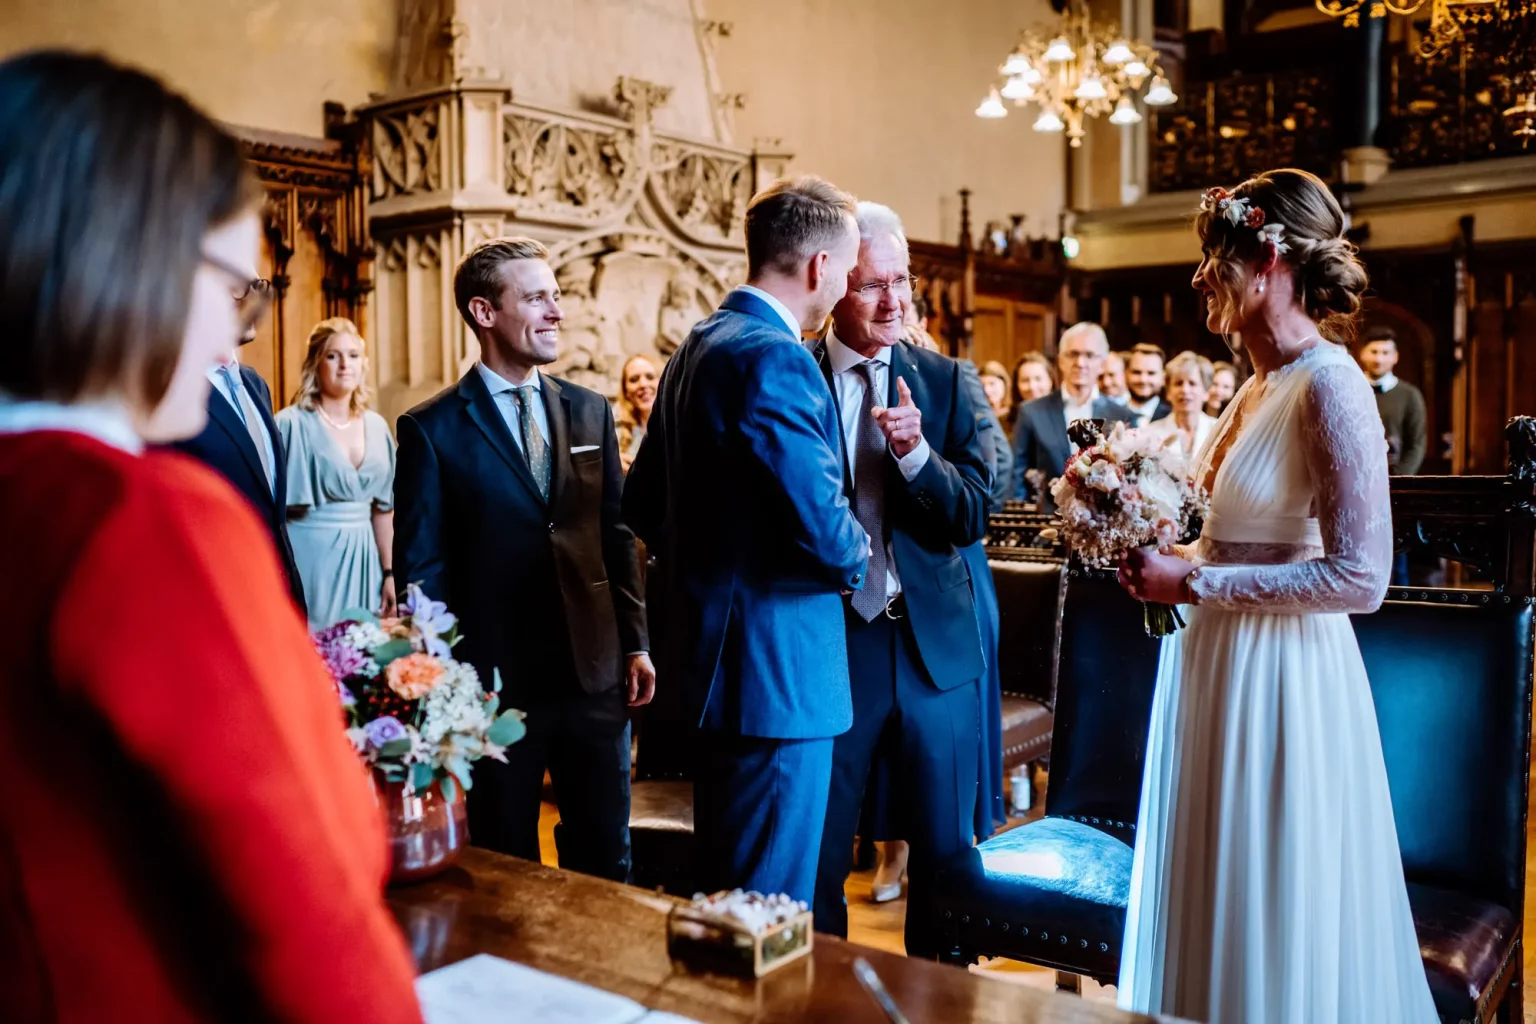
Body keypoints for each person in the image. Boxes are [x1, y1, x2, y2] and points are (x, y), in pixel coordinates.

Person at [0, 50, 420, 1022]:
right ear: (134, 264)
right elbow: (309, 884)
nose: (237, 334)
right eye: (233, 287)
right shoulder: (136, 519)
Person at [1115, 169, 1437, 1023]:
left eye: (1210, 257)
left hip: (1284, 680)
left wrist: (1194, 578)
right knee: (1211, 885)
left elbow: (1362, 578)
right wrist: (1154, 544)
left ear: (1267, 258)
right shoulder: (1251, 389)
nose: (1196, 280)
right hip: (1211, 668)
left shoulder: (1331, 385)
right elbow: (1225, 533)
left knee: (1269, 896)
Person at [624, 176, 868, 907]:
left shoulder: (698, 344)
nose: (848, 283)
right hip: (780, 671)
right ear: (819, 267)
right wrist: (861, 556)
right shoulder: (777, 357)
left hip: (716, 664)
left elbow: (644, 503)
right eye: (850, 268)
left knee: (727, 892)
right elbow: (826, 531)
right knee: (768, 904)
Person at [394, 236, 653, 882]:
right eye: (536, 298)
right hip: (492, 688)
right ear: (485, 313)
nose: (556, 312)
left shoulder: (589, 410)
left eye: (555, 297)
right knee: (505, 862)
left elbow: (617, 534)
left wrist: (636, 643)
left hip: (594, 676)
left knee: (605, 857)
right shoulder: (432, 429)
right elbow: (422, 567)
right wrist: (442, 683)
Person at [806, 202, 988, 957]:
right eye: (873, 284)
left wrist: (917, 458)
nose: (896, 302)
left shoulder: (946, 383)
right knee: (818, 852)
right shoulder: (793, 377)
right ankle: (816, 1003)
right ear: (831, 289)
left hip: (930, 649)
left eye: (903, 280)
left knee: (945, 855)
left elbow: (975, 511)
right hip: (829, 641)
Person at [169, 264, 305, 618]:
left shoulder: (255, 385)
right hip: (216, 598)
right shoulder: (174, 394)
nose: (254, 298)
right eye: (241, 286)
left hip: (278, 592)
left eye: (259, 285)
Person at [277, 318, 397, 629]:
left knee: (363, 654)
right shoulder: (290, 425)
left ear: (363, 364)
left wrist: (389, 572)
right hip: (310, 560)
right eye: (333, 356)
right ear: (316, 364)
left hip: (365, 560)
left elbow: (383, 511)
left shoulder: (377, 425)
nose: (345, 364)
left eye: (353, 355)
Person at [1010, 323, 1135, 506]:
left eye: (1089, 355)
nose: (1080, 363)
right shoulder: (1031, 412)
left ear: (1102, 363)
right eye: (1073, 354)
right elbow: (1016, 474)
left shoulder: (1123, 416)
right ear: (1061, 360)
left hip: (1105, 524)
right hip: (1047, 525)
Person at [1359, 326, 1427, 475]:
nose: (1379, 359)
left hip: (1394, 478)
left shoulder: (1409, 395)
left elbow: (1416, 444)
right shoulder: (1351, 390)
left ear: (1395, 357)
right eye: (1374, 352)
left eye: (1385, 353)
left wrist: (1401, 479)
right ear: (1362, 354)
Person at [1149, 350, 1220, 458]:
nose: (1185, 390)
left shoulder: (1219, 431)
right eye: (1178, 383)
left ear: (1206, 392)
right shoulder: (1151, 433)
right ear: (1168, 392)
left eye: (1192, 383)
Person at [614, 352, 658, 474]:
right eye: (634, 380)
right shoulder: (613, 429)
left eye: (650, 377)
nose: (643, 384)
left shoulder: (679, 424)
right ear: (626, 390)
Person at [1124, 343, 1173, 427]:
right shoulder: (1108, 413)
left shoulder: (1173, 416)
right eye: (1136, 372)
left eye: (1151, 373)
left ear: (1163, 378)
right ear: (1126, 374)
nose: (1143, 380)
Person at [1011, 351, 1056, 419]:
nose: (1032, 387)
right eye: (1025, 380)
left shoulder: (1066, 418)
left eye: (1038, 379)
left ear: (1050, 381)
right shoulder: (1003, 423)